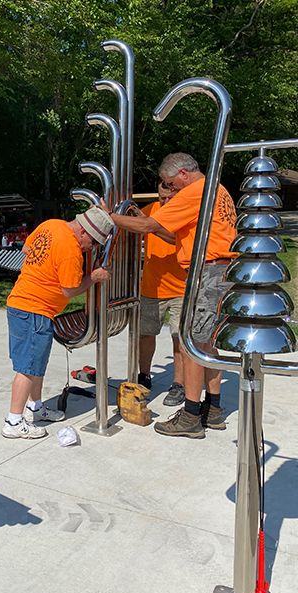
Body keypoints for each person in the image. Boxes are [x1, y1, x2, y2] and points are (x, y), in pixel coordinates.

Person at [103, 153, 236, 439]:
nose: (169, 189)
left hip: (206, 273)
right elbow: (171, 234)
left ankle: (190, 416)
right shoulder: (217, 189)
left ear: (184, 174)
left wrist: (109, 217)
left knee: (191, 345)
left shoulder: (195, 192)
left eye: (170, 183)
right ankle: (212, 409)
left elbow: (151, 226)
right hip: (218, 271)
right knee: (207, 343)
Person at [2, 206, 114, 439]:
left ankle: (36, 406)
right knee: (27, 368)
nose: (91, 249)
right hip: (34, 310)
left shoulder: (52, 224)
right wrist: (93, 277)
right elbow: (70, 289)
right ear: (84, 232)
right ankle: (13, 420)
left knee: (36, 364)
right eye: (93, 243)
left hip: (22, 305)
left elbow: (27, 248)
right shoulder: (71, 249)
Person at [138, 181, 188, 406]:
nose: (165, 202)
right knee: (146, 334)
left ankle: (178, 384)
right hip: (152, 287)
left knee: (179, 338)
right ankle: (144, 376)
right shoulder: (149, 211)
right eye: (162, 197)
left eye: (170, 197)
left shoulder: (185, 213)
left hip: (181, 288)